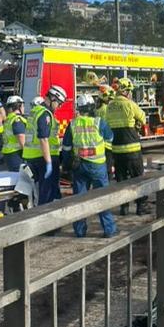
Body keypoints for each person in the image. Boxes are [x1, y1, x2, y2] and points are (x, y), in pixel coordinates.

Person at [62, 94, 117, 238]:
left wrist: (66, 166)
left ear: (79, 108)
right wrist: (110, 163)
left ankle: (80, 231)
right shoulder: (99, 123)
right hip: (98, 166)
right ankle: (109, 230)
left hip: (79, 166)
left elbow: (66, 147)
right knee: (102, 199)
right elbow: (110, 140)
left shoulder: (73, 124)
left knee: (79, 200)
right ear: (92, 107)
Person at [106, 77, 150, 215]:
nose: (131, 93)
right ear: (125, 91)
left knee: (121, 180)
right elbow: (143, 118)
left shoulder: (110, 106)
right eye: (130, 91)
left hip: (117, 151)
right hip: (132, 150)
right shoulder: (130, 104)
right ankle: (141, 207)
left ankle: (124, 207)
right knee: (138, 179)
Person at [23, 85, 66, 205]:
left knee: (43, 191)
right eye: (59, 103)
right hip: (44, 158)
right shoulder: (45, 114)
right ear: (53, 99)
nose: (59, 106)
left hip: (33, 157)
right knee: (47, 194)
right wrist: (49, 163)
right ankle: (46, 220)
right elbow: (43, 139)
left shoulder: (35, 111)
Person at [1, 96, 27, 171]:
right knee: (19, 177)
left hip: (9, 153)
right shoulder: (17, 120)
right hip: (16, 153)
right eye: (22, 106)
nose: (23, 108)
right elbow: (21, 136)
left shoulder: (8, 119)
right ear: (18, 107)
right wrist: (27, 154)